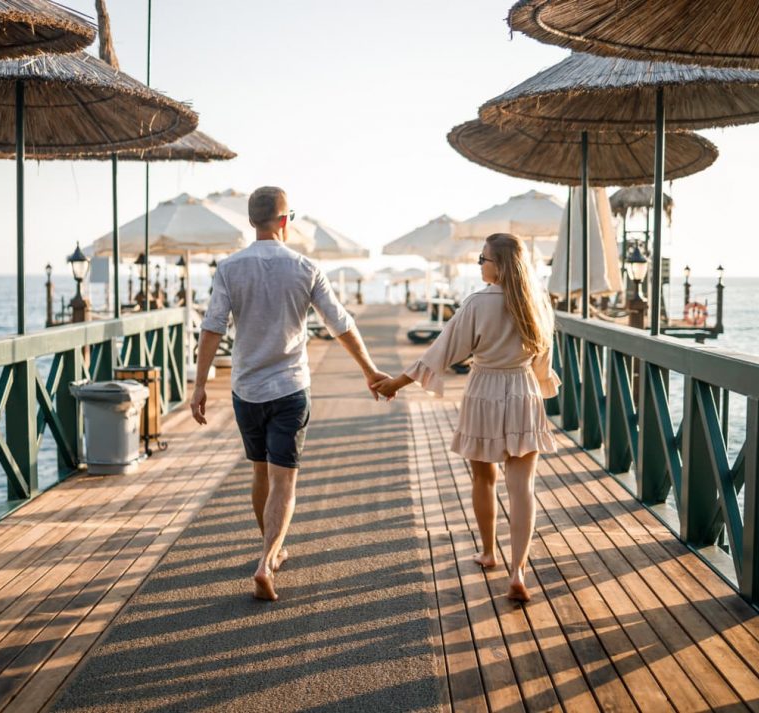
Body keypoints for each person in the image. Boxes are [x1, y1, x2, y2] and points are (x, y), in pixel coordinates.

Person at [192, 186, 388, 602]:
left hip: (246, 390)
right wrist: (370, 371)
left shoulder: (229, 268)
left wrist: (199, 385)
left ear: (251, 221)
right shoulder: (305, 267)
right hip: (289, 388)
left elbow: (212, 327)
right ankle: (267, 561)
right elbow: (340, 324)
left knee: (260, 472)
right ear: (285, 221)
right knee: (285, 481)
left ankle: (271, 551)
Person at [374, 233, 559, 602]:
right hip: (523, 392)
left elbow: (439, 352)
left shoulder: (477, 303)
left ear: (500, 265)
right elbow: (543, 362)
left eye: (483, 258)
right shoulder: (538, 302)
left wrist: (396, 382)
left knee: (484, 478)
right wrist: (538, 386)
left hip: (484, 392)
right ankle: (518, 571)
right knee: (522, 488)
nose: (479, 264)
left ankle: (489, 553)